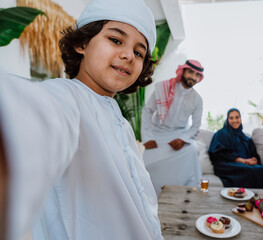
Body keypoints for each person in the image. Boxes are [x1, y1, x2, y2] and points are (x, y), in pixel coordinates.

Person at [0, 0, 164, 239]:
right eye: (116, 40)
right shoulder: (65, 98)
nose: (128, 55)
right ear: (82, 43)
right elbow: (29, 117)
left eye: (139, 52)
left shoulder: (123, 124)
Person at [141, 60, 204, 196]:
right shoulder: (162, 88)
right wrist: (147, 137)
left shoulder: (197, 100)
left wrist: (183, 139)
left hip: (179, 135)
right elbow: (147, 111)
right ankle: (150, 197)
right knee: (146, 165)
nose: (193, 77)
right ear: (183, 71)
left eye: (197, 75)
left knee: (192, 149)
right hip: (157, 135)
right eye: (191, 72)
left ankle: (185, 195)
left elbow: (195, 126)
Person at [208, 108, 263, 188]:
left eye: (237, 117)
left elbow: (254, 155)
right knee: (250, 171)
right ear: (227, 119)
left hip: (245, 166)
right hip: (227, 165)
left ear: (240, 118)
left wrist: (254, 160)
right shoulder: (221, 134)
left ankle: (261, 198)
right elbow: (216, 152)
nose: (234, 120)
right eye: (231, 118)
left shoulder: (246, 139)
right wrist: (242, 160)